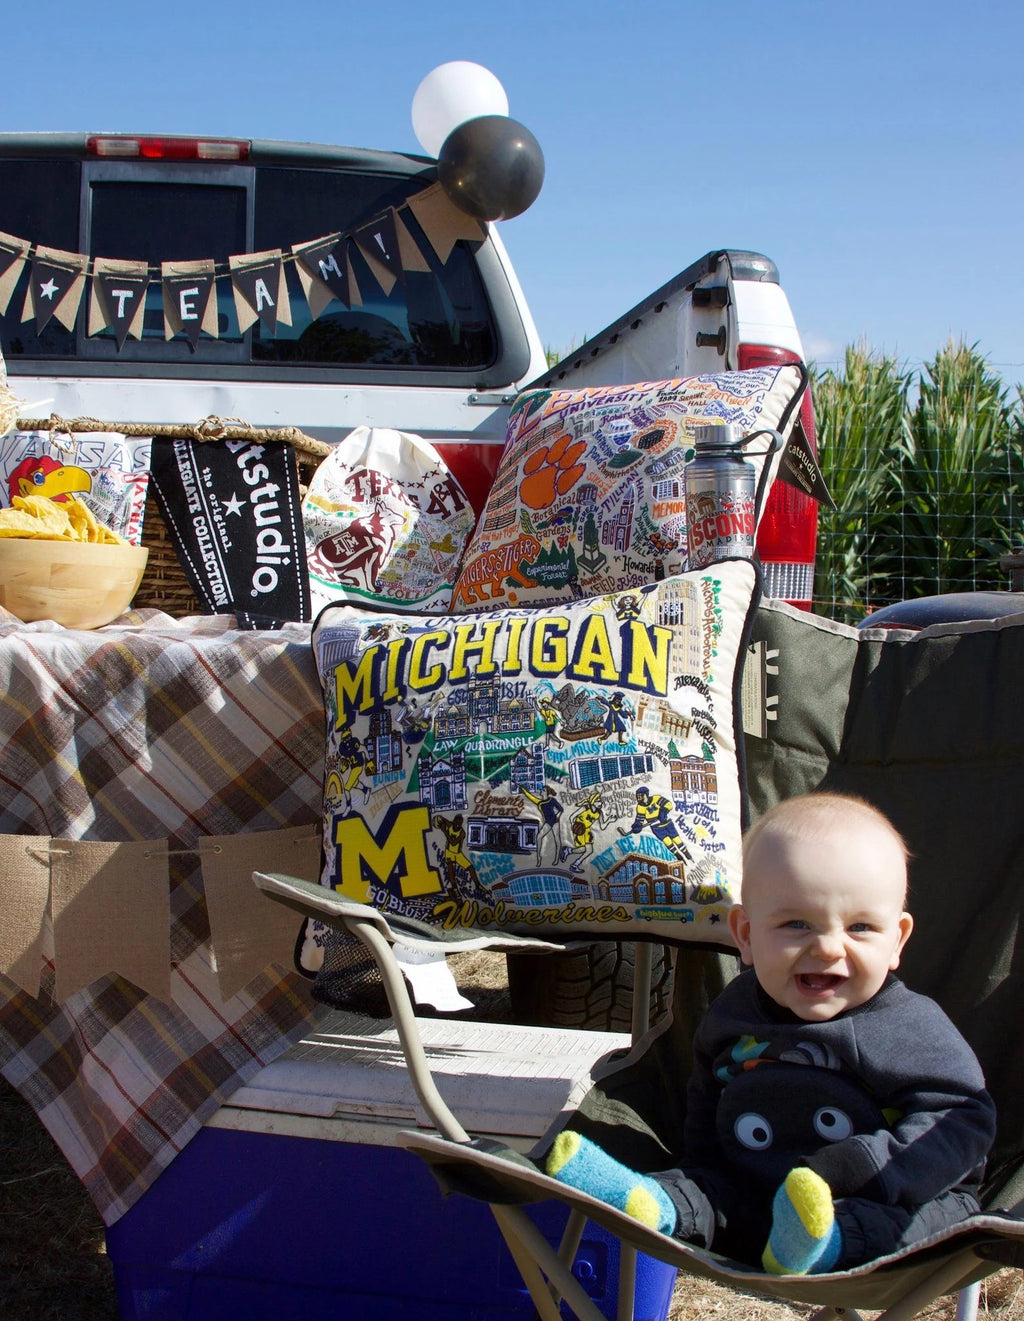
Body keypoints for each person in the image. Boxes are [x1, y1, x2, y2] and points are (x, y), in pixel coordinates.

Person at [547, 792, 996, 1275]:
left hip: (893, 1193)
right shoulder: (734, 1011)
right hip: (753, 1190)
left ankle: (828, 1243)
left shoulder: (907, 1026)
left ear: (897, 941)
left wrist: (863, 1170)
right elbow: (707, 1094)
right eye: (796, 924)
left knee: (935, 1221)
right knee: (707, 1195)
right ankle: (654, 1202)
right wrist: (701, 1169)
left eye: (861, 926)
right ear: (745, 934)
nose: (827, 948)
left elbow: (963, 1118)